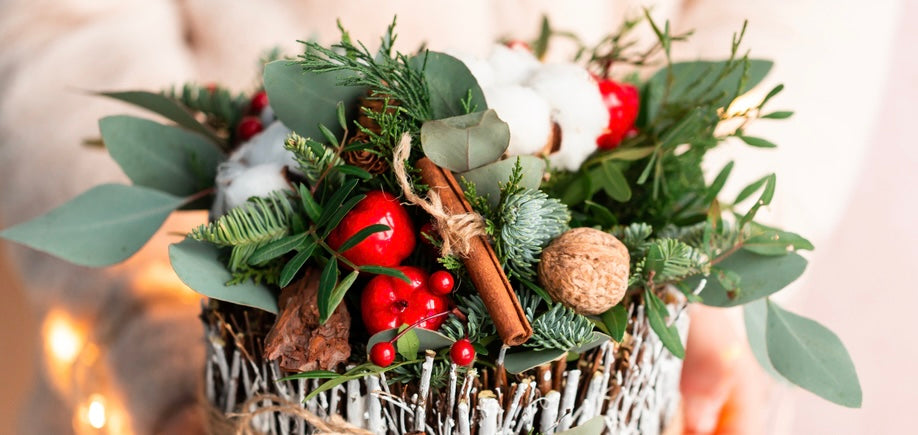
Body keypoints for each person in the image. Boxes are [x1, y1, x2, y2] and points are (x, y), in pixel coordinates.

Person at [0, 1, 898, 433]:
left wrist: (706, 302)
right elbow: (51, 29)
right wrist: (158, 345)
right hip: (190, 355)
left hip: (620, 296)